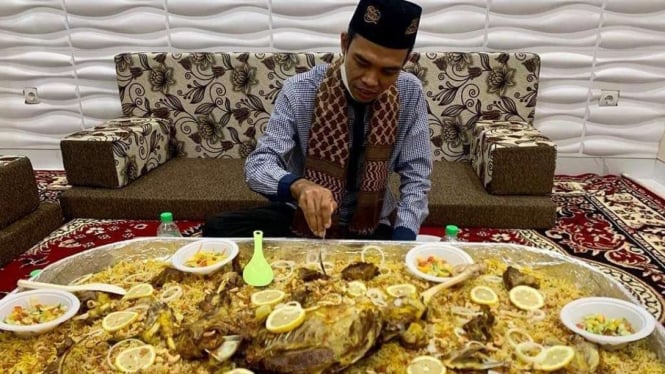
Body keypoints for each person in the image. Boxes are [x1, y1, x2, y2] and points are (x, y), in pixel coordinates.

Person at [203, 0, 432, 240]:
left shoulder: (409, 92)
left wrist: (403, 243)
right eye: (362, 63)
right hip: (303, 214)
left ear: (404, 63)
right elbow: (259, 165)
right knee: (218, 230)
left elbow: (417, 176)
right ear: (345, 44)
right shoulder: (299, 90)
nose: (371, 81)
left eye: (388, 71)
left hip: (370, 220)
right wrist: (300, 187)